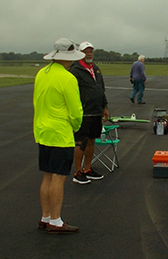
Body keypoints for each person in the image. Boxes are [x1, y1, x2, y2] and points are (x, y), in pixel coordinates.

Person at [33, 38, 84, 234]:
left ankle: (45, 217)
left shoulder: (41, 73)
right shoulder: (68, 78)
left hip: (43, 130)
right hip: (60, 132)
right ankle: (55, 220)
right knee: (59, 177)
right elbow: (76, 111)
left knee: (47, 174)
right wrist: (77, 126)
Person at [69, 41, 109, 184]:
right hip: (83, 112)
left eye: (91, 51)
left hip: (96, 111)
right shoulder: (75, 69)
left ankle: (88, 169)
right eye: (86, 51)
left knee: (92, 140)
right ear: (80, 53)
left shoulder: (95, 69)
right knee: (81, 142)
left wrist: (104, 106)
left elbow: (100, 89)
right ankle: (78, 171)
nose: (89, 54)